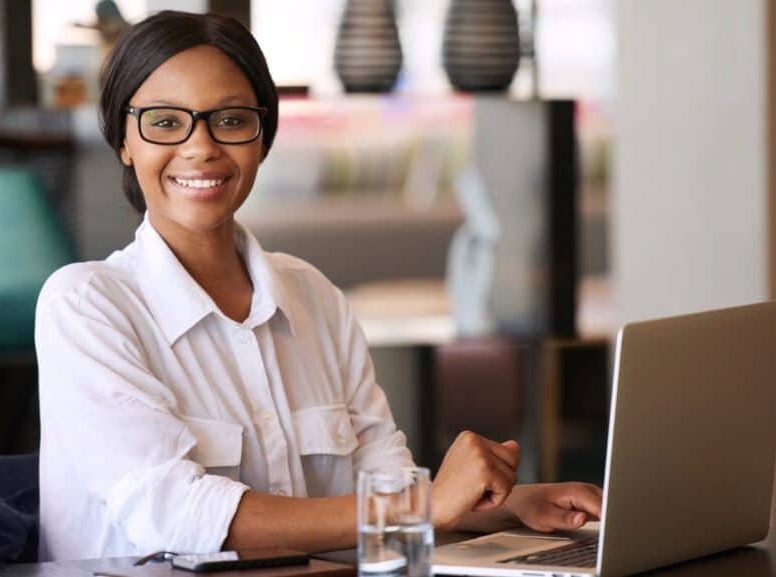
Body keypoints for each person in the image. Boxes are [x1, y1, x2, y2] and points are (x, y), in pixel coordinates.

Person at [35, 10, 601, 563]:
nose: (201, 146)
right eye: (164, 122)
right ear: (123, 142)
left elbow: (383, 497)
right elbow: (174, 514)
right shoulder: (86, 305)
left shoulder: (314, 297)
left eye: (230, 120)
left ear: (263, 138)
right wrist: (426, 504)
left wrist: (508, 505)